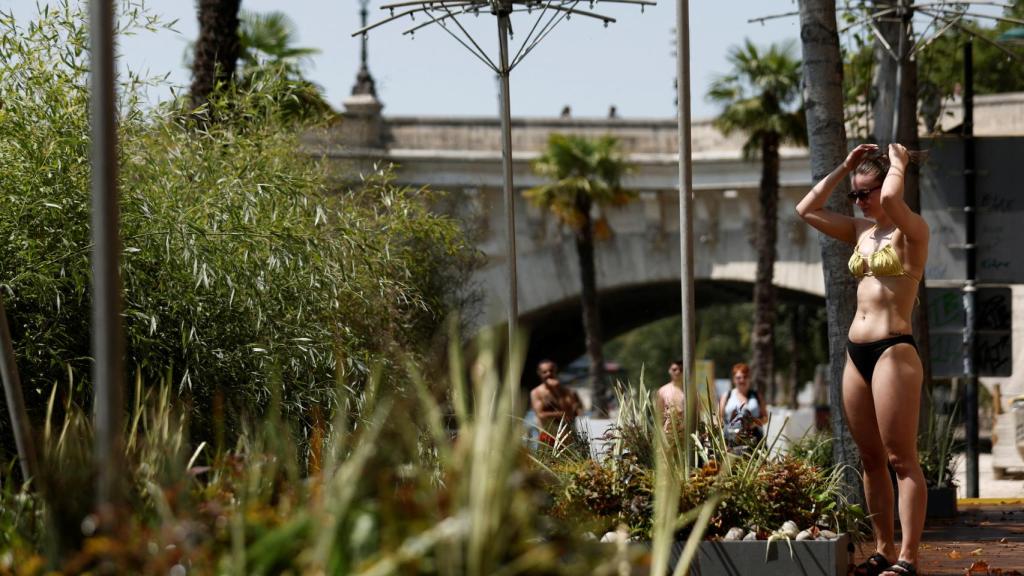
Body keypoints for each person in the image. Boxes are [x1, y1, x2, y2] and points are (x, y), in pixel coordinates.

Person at [796, 143, 928, 576]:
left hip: (894, 350)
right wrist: (844, 168)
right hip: (857, 354)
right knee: (869, 458)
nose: (862, 201)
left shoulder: (912, 232)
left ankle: (908, 556)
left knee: (900, 459)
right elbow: (807, 208)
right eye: (856, 195)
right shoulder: (860, 232)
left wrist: (900, 163)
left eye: (865, 192)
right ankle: (884, 548)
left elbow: (892, 200)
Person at [529, 360, 582, 446]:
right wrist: (560, 414)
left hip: (566, 436)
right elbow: (540, 414)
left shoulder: (566, 391)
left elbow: (570, 413)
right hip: (547, 434)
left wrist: (557, 391)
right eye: (544, 372)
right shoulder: (536, 393)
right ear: (539, 373)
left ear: (556, 371)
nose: (548, 374)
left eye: (551, 370)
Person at [717, 363, 766, 452]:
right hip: (732, 441)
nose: (742, 380)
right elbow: (719, 419)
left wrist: (753, 424)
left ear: (749, 378)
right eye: (738, 377)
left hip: (754, 440)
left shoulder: (757, 395)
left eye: (745, 377)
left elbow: (765, 417)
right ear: (734, 379)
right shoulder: (727, 396)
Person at [656, 360, 686, 433]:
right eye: (674, 369)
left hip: (687, 433)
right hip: (669, 432)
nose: (677, 372)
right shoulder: (662, 391)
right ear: (669, 371)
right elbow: (659, 415)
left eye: (681, 369)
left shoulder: (691, 391)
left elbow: (697, 413)